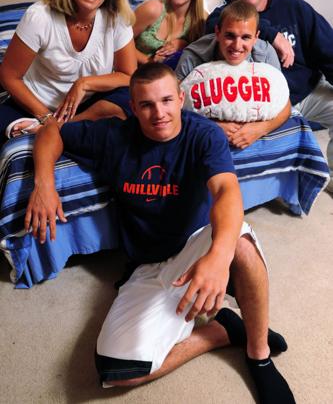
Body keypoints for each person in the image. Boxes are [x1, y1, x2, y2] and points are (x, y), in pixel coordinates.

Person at [25, 63, 295, 403]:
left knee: (238, 239)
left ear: (181, 99)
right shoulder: (114, 135)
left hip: (195, 245)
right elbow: (51, 130)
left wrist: (217, 256)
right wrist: (44, 184)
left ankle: (259, 353)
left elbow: (227, 191)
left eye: (167, 100)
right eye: (147, 105)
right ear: (133, 108)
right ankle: (221, 331)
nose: (159, 113)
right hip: (145, 265)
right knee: (115, 369)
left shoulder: (203, 134)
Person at [206, 0, 333, 191]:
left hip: (306, 92)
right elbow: (212, 25)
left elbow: (328, 51)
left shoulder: (296, 8)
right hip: (266, 105)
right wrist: (272, 34)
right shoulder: (224, 15)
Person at [0, 0, 137, 143]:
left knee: (130, 103)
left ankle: (61, 128)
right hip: (36, 104)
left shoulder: (117, 19)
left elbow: (128, 75)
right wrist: (46, 117)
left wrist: (84, 84)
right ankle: (54, 128)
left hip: (88, 104)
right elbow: (9, 76)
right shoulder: (39, 16)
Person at [177, 0, 291, 149]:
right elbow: (173, 104)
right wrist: (212, 126)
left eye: (245, 37)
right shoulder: (193, 56)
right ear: (217, 32)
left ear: (256, 37)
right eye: (230, 36)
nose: (237, 46)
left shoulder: (266, 54)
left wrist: (261, 129)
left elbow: (284, 103)